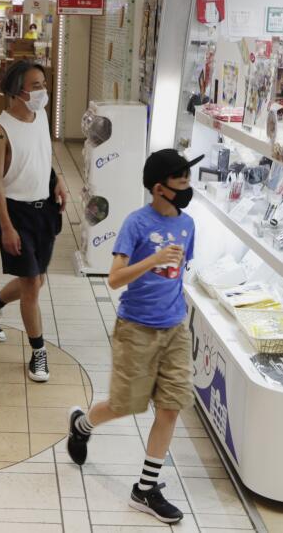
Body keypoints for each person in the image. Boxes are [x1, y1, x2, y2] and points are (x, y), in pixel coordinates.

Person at [66, 149, 200, 524]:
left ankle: (145, 488)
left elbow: (182, 271)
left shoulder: (188, 224)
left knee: (171, 406)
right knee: (126, 405)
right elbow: (114, 278)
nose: (188, 187)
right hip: (136, 329)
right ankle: (82, 424)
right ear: (159, 188)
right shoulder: (136, 224)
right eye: (181, 182)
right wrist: (153, 261)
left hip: (175, 328)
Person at [0, 60, 67, 382]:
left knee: (37, 279)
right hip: (17, 213)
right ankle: (38, 353)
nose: (43, 91)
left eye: (44, 83)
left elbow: (42, 153)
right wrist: (6, 226)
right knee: (32, 285)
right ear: (17, 91)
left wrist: (55, 179)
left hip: (45, 210)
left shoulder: (41, 115)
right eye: (36, 85)